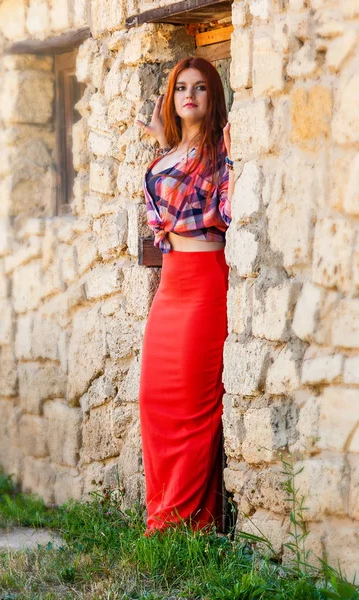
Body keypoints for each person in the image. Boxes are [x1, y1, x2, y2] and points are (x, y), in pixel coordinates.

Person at [136, 56, 235, 536]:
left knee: (196, 407)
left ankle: (189, 524)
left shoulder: (222, 151)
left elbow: (225, 207)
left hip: (204, 282)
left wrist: (221, 150)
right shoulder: (167, 154)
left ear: (213, 95)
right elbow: (172, 200)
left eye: (199, 88)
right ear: (172, 98)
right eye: (181, 89)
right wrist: (165, 143)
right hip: (170, 285)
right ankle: (162, 512)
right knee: (156, 400)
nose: (189, 95)